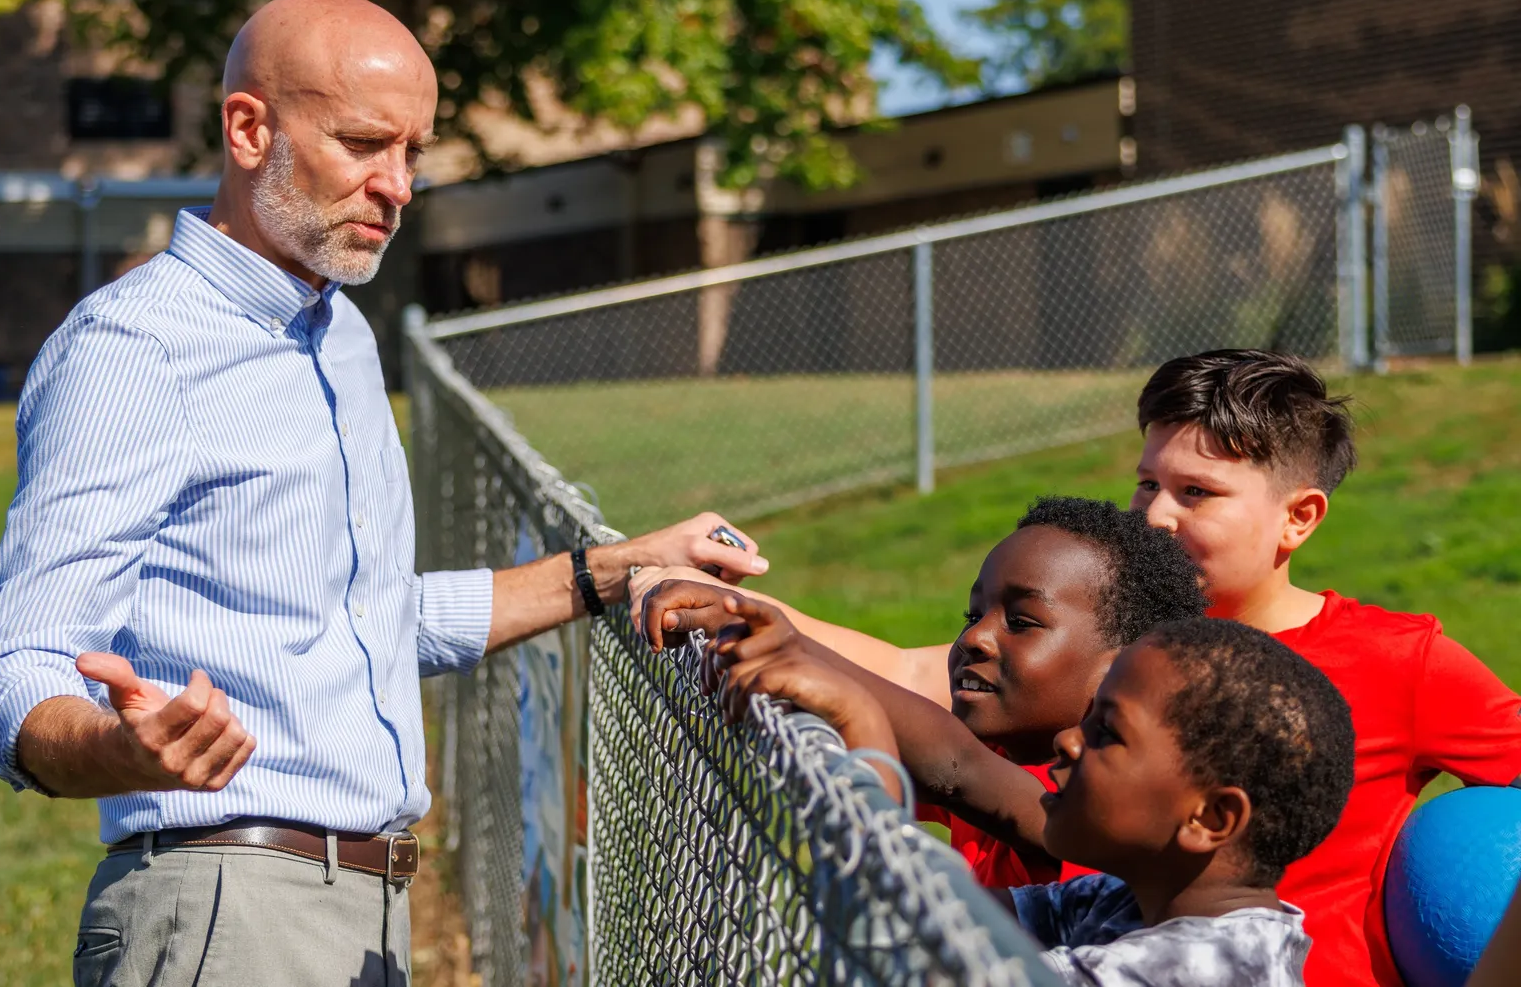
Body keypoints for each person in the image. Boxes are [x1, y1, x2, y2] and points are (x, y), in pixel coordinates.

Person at [0, 0, 767, 987]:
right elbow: (11, 661)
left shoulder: (338, 331)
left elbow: (365, 618)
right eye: (362, 144)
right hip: (226, 910)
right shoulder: (133, 349)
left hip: (363, 907)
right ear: (249, 128)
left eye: (415, 152)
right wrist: (118, 749)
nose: (397, 185)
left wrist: (612, 567)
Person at [636, 348, 1521, 987]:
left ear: (1299, 517)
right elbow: (924, 690)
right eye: (1147, 483)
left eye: (1196, 493)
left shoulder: (1402, 661)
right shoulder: (1106, 645)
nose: (1158, 515)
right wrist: (754, 616)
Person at [655, 588, 1354, 987]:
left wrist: (861, 724)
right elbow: (928, 919)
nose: (1067, 741)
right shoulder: (1125, 900)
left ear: (1209, 815)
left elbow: (919, 962)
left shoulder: (1194, 969)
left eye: (1106, 733)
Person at [646, 496, 1206, 888]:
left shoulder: (1107, 810)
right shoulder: (1003, 752)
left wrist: (791, 650)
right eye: (973, 613)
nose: (974, 638)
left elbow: (955, 765)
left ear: (1121, 667)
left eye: (1022, 622)